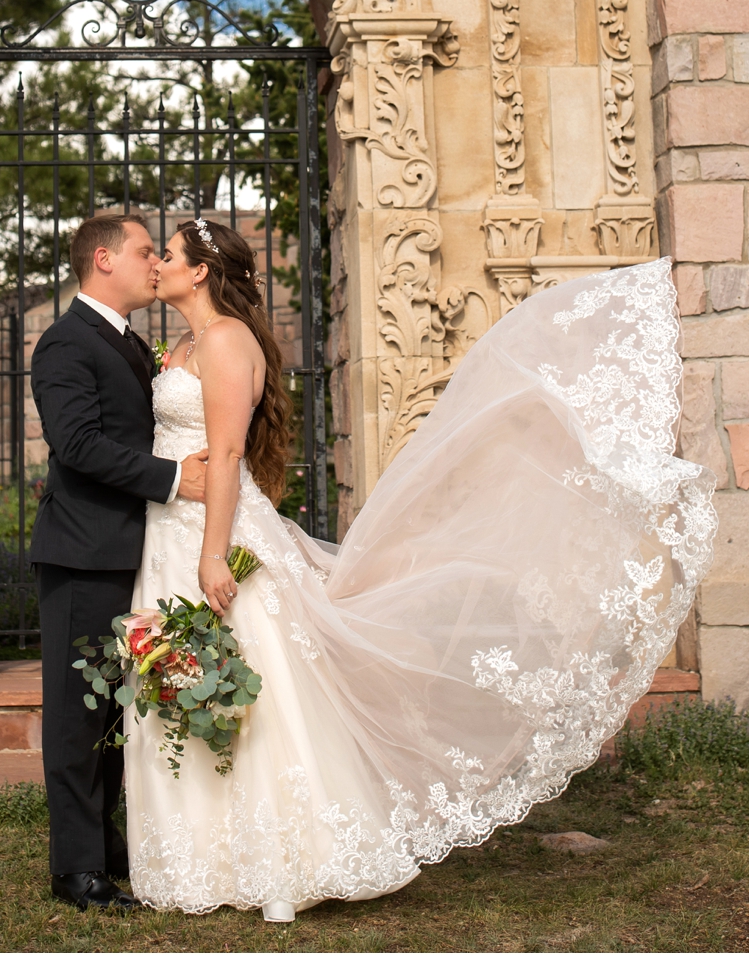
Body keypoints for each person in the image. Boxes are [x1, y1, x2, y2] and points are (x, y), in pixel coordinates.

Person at [120, 219, 713, 921]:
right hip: (170, 529)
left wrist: (213, 552)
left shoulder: (223, 341)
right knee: (178, 677)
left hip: (213, 532)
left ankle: (284, 854)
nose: (156, 263)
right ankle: (197, 856)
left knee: (256, 689)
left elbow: (224, 455)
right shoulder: (183, 344)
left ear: (200, 270)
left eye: (169, 254)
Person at [27, 211, 209, 913]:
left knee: (110, 711)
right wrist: (171, 478)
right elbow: (76, 445)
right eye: (142, 251)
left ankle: (104, 847)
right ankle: (76, 869)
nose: (153, 263)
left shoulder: (131, 344)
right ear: (102, 259)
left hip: (133, 552)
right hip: (82, 552)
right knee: (77, 716)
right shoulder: (66, 343)